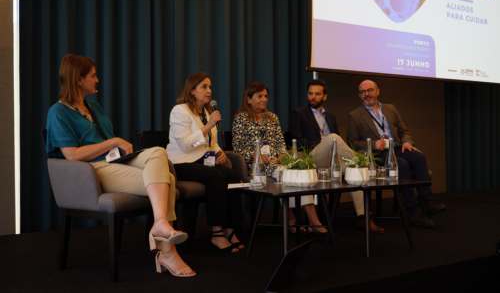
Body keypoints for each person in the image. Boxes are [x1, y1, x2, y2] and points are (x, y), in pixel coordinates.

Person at [45, 55, 195, 277]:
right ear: (78, 80)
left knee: (158, 152)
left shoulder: (92, 106)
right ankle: (168, 252)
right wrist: (114, 141)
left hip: (114, 160)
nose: (97, 80)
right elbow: (72, 155)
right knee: (169, 180)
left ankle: (160, 224)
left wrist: (115, 147)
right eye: (93, 76)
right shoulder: (57, 112)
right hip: (92, 170)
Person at [347, 80, 446, 228]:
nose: (366, 94)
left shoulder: (390, 108)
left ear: (377, 91)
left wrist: (407, 142)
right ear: (359, 95)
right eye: (362, 92)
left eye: (369, 90)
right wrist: (373, 144)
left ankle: (426, 202)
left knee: (419, 156)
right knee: (402, 165)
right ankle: (414, 212)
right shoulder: (355, 115)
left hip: (398, 147)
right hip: (377, 155)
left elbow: (403, 131)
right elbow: (352, 142)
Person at [232, 82, 328, 236]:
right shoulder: (241, 119)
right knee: (291, 175)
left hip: (278, 163)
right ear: (248, 99)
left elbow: (281, 144)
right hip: (257, 166)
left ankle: (301, 220)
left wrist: (282, 155)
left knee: (298, 171)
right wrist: (255, 155)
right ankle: (310, 221)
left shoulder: (272, 118)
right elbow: (237, 148)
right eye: (259, 96)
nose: (264, 99)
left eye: (266, 96)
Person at [290, 79, 385, 234]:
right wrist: (325, 144)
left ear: (325, 96)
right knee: (333, 138)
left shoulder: (331, 117)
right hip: (313, 159)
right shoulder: (299, 114)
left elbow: (339, 145)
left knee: (356, 171)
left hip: (333, 162)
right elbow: (298, 140)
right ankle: (361, 161)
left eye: (317, 94)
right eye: (310, 93)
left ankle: (363, 218)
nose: (313, 97)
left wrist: (334, 150)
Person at [166, 73, 245, 253]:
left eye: (209, 87)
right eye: (204, 87)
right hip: (180, 163)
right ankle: (216, 232)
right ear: (192, 91)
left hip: (202, 161)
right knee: (216, 176)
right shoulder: (180, 111)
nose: (209, 91)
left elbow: (212, 143)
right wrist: (209, 125)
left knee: (233, 175)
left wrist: (220, 153)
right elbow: (186, 145)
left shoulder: (207, 112)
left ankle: (229, 228)